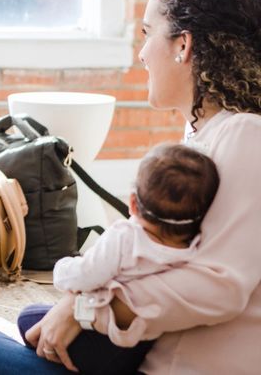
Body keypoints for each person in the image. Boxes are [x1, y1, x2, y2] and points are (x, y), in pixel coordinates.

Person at [0, 0, 261, 375]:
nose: (141, 52)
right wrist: (78, 307)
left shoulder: (245, 135)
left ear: (183, 45)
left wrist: (84, 311)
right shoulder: (205, 130)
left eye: (147, 32)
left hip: (175, 365)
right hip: (142, 350)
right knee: (27, 318)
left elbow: (218, 288)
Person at [15, 143, 219, 375]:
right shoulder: (195, 248)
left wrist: (62, 268)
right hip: (138, 351)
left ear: (133, 203)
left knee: (27, 318)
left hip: (103, 342)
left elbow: (85, 276)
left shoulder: (125, 238)